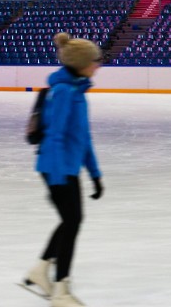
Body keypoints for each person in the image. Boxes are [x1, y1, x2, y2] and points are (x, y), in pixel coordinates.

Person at [25, 33, 104, 307]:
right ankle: (60, 291)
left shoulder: (77, 90)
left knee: (71, 221)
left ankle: (40, 271)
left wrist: (95, 174)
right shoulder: (63, 93)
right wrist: (59, 177)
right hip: (56, 168)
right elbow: (56, 135)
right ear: (82, 63)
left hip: (66, 167)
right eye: (95, 60)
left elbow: (84, 138)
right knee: (72, 222)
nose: (99, 65)